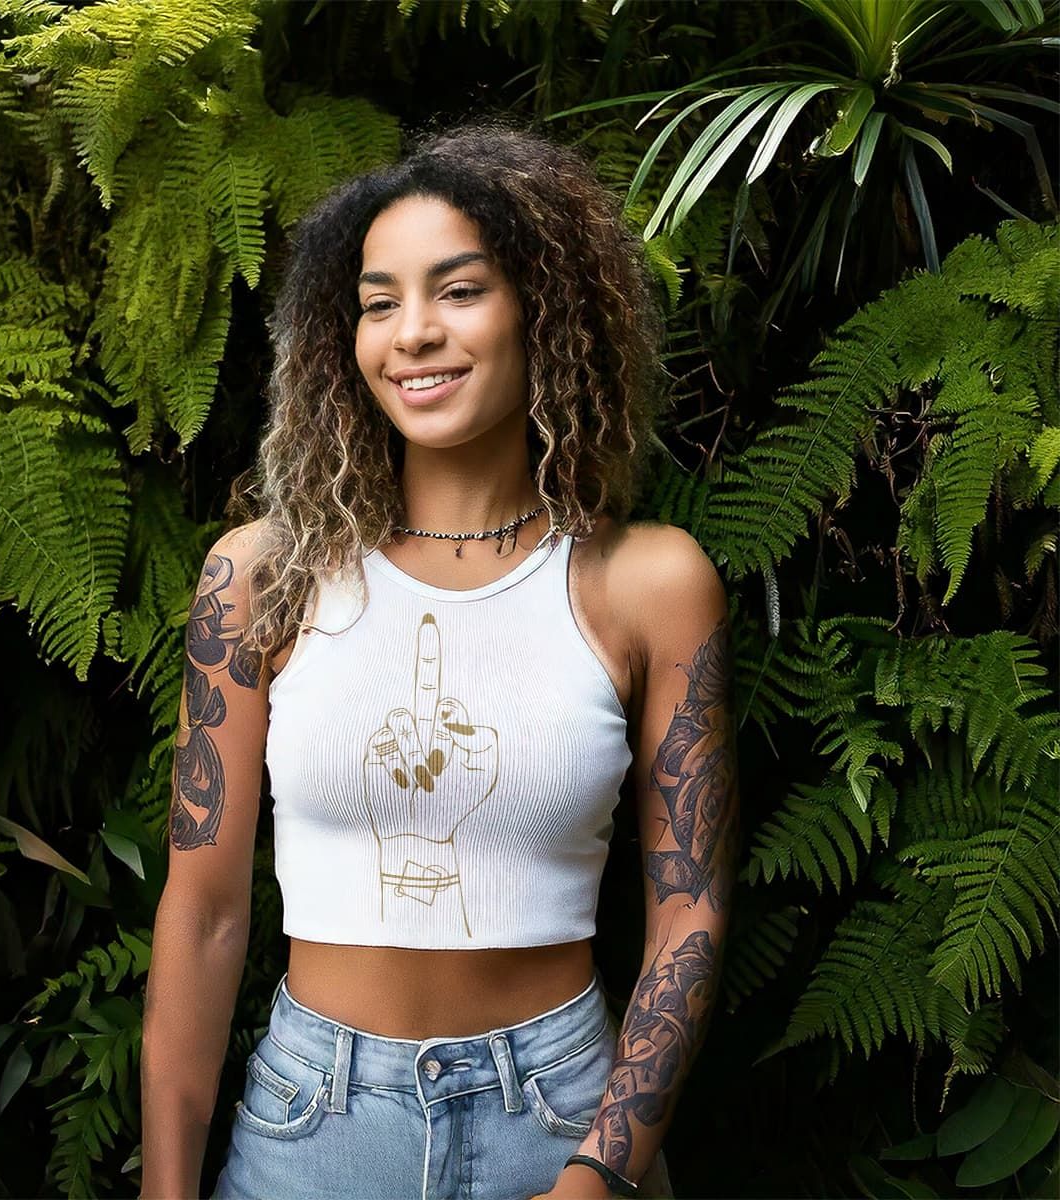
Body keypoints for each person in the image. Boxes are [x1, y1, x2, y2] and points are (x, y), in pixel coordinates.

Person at [140, 119, 740, 1200]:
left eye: (458, 291)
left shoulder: (648, 583)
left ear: (543, 313)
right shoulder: (263, 579)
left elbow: (689, 912)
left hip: (560, 1120)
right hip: (311, 1124)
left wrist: (599, 1174)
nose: (412, 332)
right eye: (379, 303)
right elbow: (205, 912)